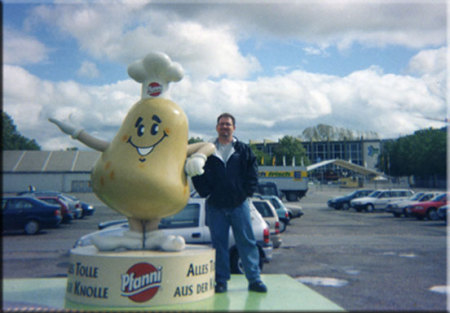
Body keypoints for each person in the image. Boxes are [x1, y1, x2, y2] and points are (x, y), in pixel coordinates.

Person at [191, 113, 267, 293]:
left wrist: (246, 193)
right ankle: (221, 281)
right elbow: (196, 172)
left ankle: (254, 280)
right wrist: (206, 194)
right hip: (215, 206)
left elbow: (252, 173)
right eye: (222, 124)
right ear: (217, 127)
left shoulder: (243, 150)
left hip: (239, 205)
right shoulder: (207, 150)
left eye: (228, 124)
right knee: (219, 244)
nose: (225, 127)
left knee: (247, 242)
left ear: (234, 128)